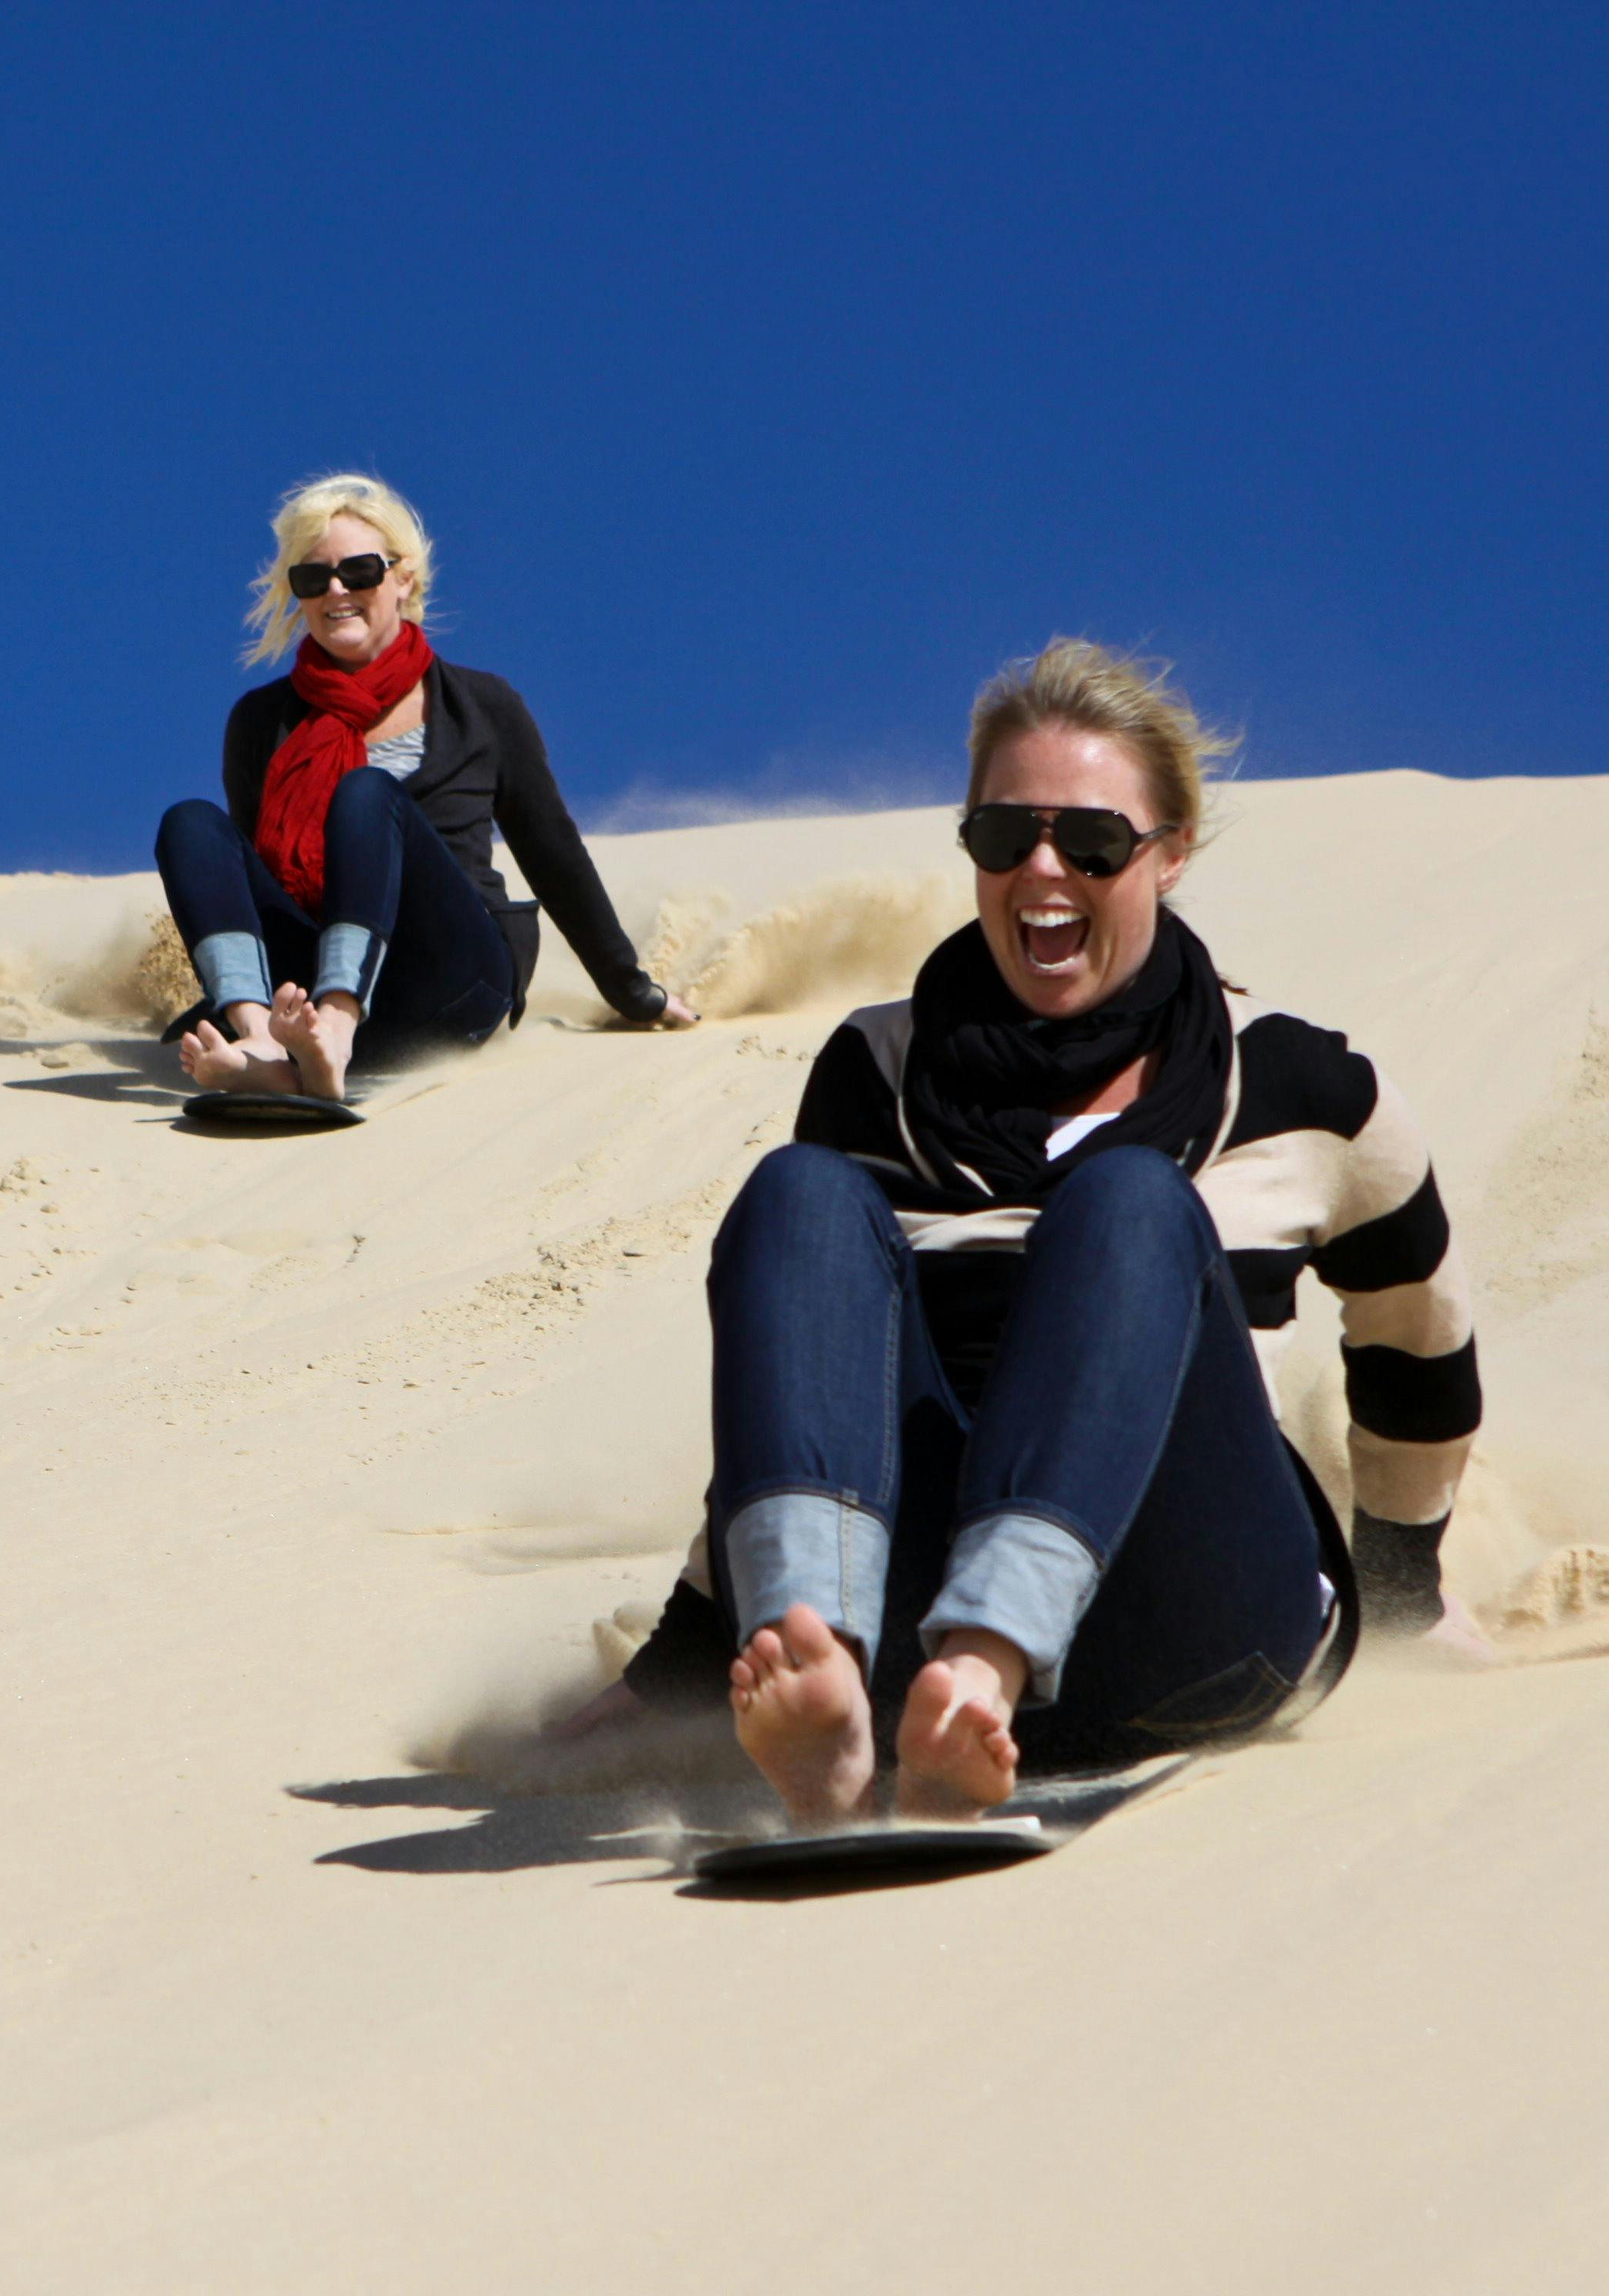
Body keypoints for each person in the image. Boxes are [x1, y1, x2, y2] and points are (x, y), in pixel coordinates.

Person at [565, 640, 1483, 1822]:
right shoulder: (877, 1070)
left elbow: (1419, 1334)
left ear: (1171, 855)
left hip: (1193, 1624)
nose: (1043, 868)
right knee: (796, 1196)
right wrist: (687, 1660)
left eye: (1092, 842)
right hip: (913, 1625)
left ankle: (988, 1666)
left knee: (1127, 1202)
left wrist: (1408, 1587)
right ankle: (831, 1680)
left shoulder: (1305, 1084)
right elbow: (812, 1378)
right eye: (1005, 839)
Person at [155, 473, 694, 1100]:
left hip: (449, 985)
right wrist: (232, 1002)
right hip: (306, 979)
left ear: (403, 579)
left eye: (358, 571)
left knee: (366, 794)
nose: (336, 591)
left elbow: (552, 853)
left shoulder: (482, 706)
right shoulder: (260, 721)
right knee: (190, 822)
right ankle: (262, 1043)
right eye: (312, 579)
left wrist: (631, 990)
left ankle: (335, 1029)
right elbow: (246, 879)